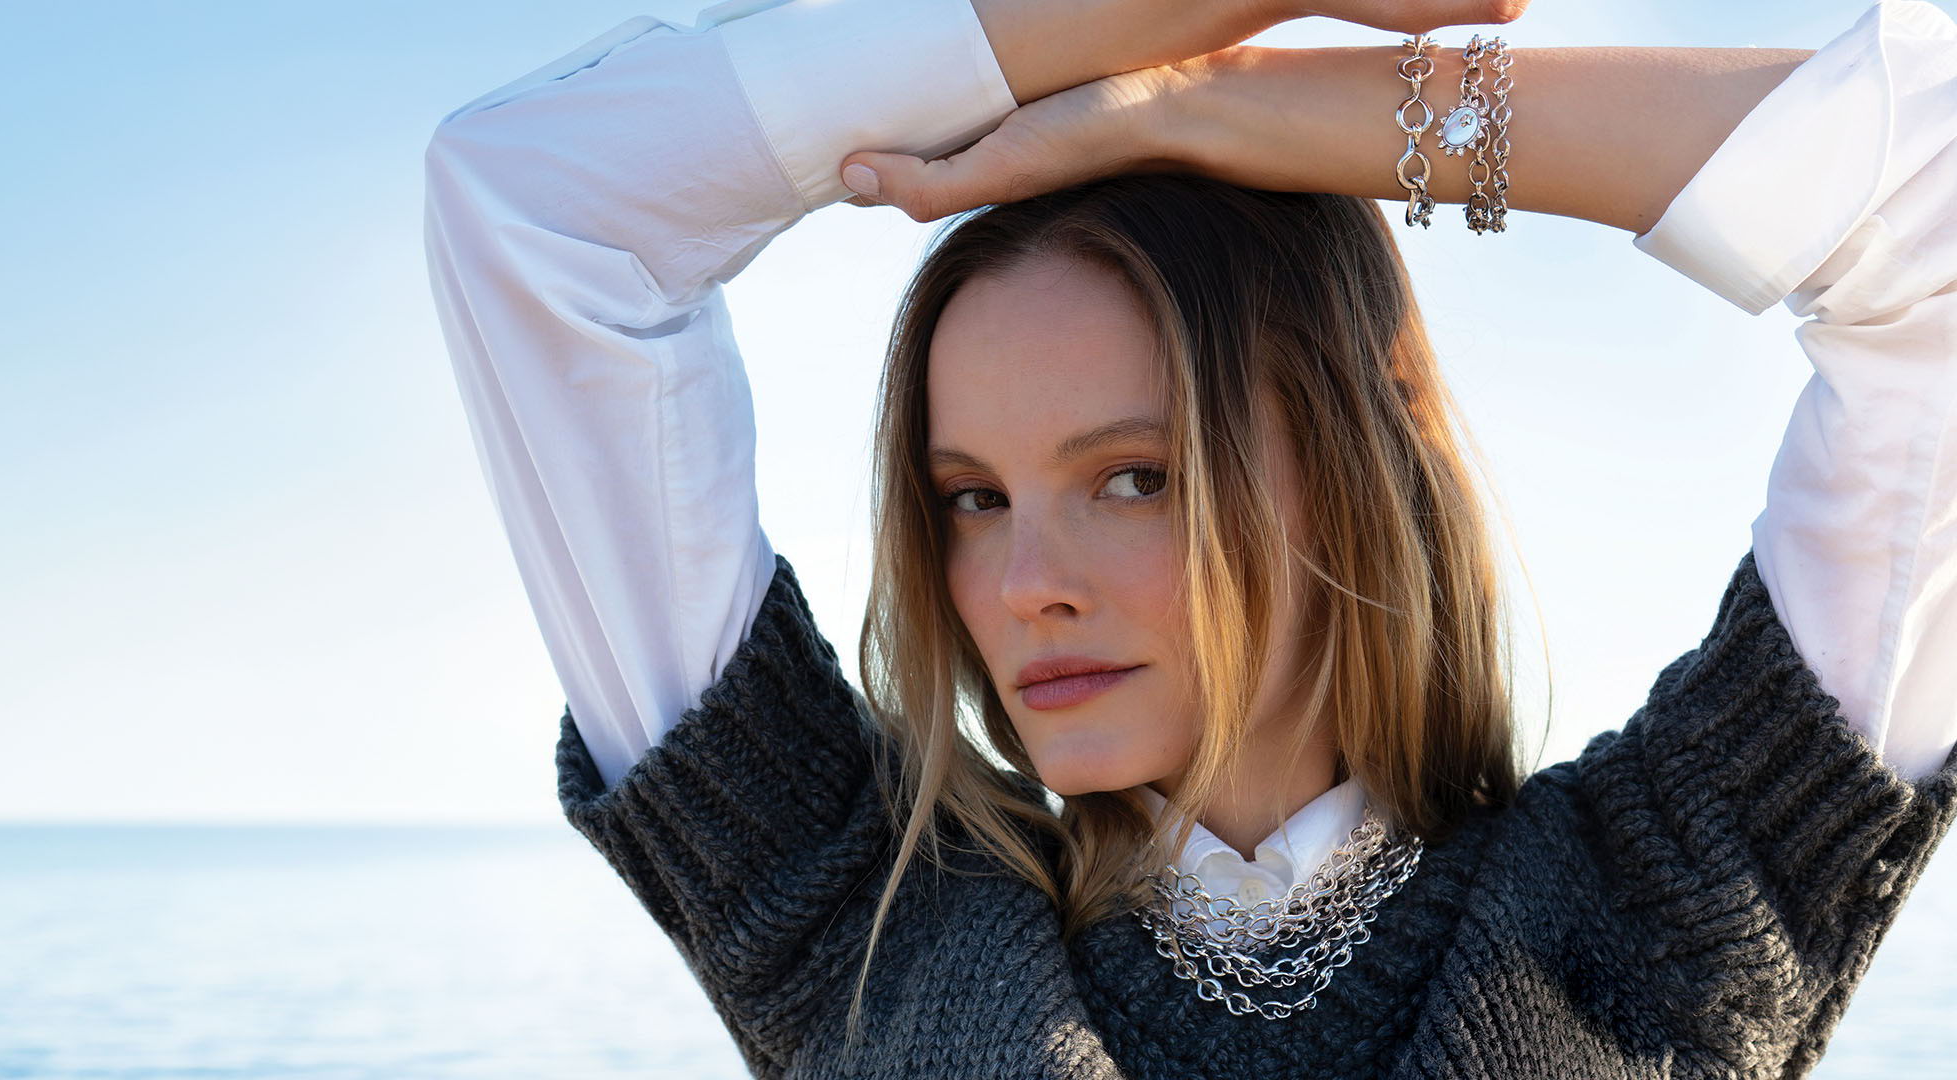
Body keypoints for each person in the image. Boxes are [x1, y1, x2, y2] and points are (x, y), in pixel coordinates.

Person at [421, 0, 1957, 1075]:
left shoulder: (1674, 894)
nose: (1025, 588)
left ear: (1356, 455)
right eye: (972, 498)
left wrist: (1230, 107)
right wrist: (1185, 4)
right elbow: (538, 205)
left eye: (1135, 476)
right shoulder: (848, 910)